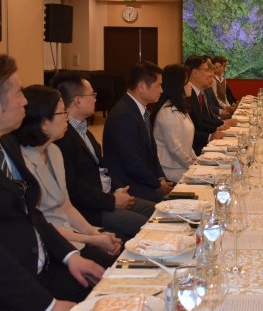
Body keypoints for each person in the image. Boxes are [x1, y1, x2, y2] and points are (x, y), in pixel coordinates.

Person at [0, 53, 103, 311]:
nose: (25, 102)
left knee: (109, 295)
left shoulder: (6, 143)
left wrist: (70, 256)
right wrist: (47, 306)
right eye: (18, 93)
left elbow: (30, 212)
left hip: (38, 270)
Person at [15, 85, 122, 268]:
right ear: (44, 123)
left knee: (121, 248)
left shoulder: (54, 151)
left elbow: (66, 205)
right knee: (115, 265)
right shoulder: (22, 162)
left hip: (72, 233)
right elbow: (41, 225)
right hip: (52, 246)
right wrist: (92, 239)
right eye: (62, 112)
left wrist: (95, 233)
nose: (67, 117)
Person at [51, 71, 155, 238]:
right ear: (77, 100)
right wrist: (112, 201)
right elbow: (75, 188)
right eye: (92, 94)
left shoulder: (83, 129)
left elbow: (103, 167)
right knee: (149, 227)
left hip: (109, 195)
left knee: (157, 211)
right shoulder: (62, 137)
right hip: (93, 208)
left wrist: (119, 189)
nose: (95, 99)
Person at [102, 61, 173, 203]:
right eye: (158, 85)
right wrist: (157, 184)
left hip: (143, 179)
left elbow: (152, 153)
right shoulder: (123, 115)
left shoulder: (140, 110)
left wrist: (160, 179)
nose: (161, 90)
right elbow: (132, 163)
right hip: (128, 185)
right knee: (172, 205)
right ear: (141, 86)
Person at [151, 64, 197, 182]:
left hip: (181, 165)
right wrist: (192, 165)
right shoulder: (168, 111)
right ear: (178, 86)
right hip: (170, 168)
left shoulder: (178, 107)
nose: (191, 85)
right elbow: (175, 148)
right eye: (187, 82)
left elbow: (186, 142)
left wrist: (195, 160)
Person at [185, 55, 228, 154]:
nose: (209, 74)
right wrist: (210, 136)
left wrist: (219, 126)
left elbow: (203, 120)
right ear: (195, 73)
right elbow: (193, 128)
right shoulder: (188, 95)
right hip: (194, 149)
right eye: (206, 70)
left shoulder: (197, 93)